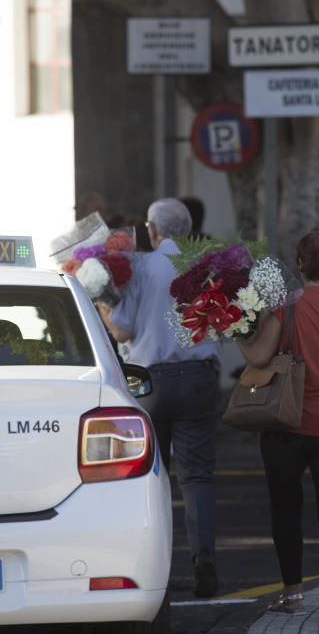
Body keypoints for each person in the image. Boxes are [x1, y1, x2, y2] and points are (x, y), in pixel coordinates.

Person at [236, 228, 319, 628]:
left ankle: (293, 594)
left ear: (300, 264)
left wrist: (236, 334)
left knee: (286, 509)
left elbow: (260, 356)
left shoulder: (286, 307)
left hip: (285, 423)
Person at [98, 197, 221, 598]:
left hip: (151, 382)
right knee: (197, 475)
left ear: (152, 230)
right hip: (200, 377)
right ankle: (205, 562)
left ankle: (159, 570)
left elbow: (123, 331)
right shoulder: (208, 265)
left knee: (153, 478)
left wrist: (102, 304)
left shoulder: (141, 266)